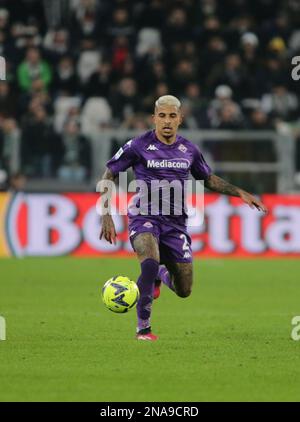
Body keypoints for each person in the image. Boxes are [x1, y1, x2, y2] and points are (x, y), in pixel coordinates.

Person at [98, 95, 267, 341]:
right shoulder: (137, 145)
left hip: (175, 223)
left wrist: (239, 192)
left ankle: (160, 276)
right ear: (154, 118)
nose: (167, 121)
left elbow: (207, 179)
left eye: (172, 116)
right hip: (144, 216)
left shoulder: (189, 150)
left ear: (180, 119)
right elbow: (108, 175)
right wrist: (106, 216)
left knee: (184, 289)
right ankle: (143, 329)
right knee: (149, 260)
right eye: (162, 116)